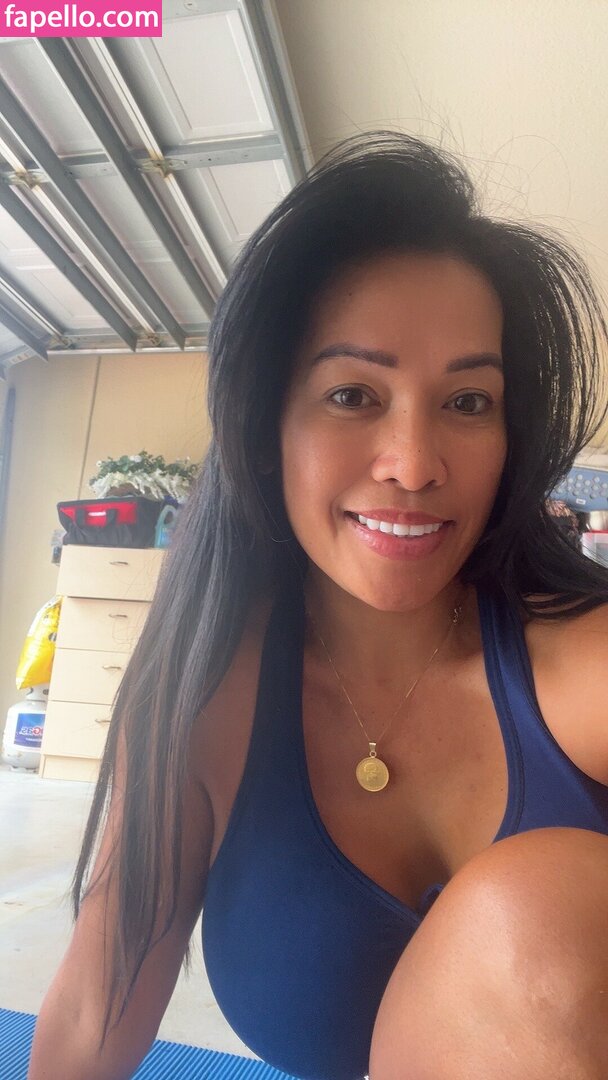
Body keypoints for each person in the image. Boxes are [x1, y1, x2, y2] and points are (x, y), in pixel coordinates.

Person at [28, 131, 608, 1080]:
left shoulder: (581, 662)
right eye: (352, 394)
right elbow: (98, 1006)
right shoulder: (205, 699)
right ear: (266, 426)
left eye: (468, 402)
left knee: (536, 908)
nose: (414, 464)